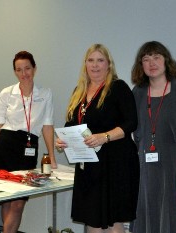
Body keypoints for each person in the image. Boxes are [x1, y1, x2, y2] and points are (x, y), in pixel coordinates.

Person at [56, 44, 139, 233]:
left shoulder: (118, 87)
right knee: (91, 218)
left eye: (100, 60)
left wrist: (105, 137)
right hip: (89, 165)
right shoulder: (79, 91)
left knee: (113, 221)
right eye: (91, 60)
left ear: (109, 64)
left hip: (115, 164)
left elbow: (131, 123)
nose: (95, 65)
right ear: (85, 64)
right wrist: (63, 140)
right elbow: (71, 124)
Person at [130, 41, 176, 233]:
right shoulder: (137, 93)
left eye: (156, 57)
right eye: (146, 59)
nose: (152, 63)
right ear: (140, 65)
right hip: (148, 170)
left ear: (166, 61)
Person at [0, 50, 56, 233]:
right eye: (19, 70)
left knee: (19, 202)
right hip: (5, 145)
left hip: (28, 147)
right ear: (15, 72)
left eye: (27, 68)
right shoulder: (6, 93)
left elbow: (47, 127)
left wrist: (52, 157)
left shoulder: (45, 94)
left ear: (34, 69)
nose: (24, 73)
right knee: (8, 199)